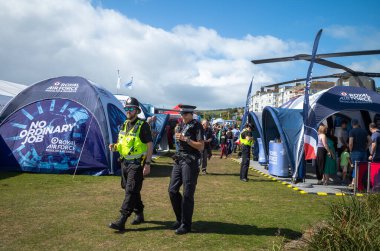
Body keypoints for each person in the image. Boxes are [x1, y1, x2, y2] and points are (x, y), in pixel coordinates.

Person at [108, 97, 153, 231]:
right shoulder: (124, 124)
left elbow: (150, 145)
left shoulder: (143, 125)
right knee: (131, 189)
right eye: (127, 108)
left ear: (137, 111)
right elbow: (123, 144)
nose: (128, 111)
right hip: (124, 163)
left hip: (136, 164)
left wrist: (148, 163)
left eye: (131, 108)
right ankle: (139, 213)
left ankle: (122, 220)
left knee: (130, 190)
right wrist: (115, 147)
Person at [168, 104, 204, 235]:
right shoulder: (180, 125)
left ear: (191, 114)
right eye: (181, 114)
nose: (183, 117)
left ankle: (186, 224)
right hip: (179, 160)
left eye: (185, 114)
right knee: (172, 190)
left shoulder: (197, 125)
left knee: (188, 193)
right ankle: (179, 219)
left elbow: (201, 146)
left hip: (190, 161)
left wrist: (186, 139)